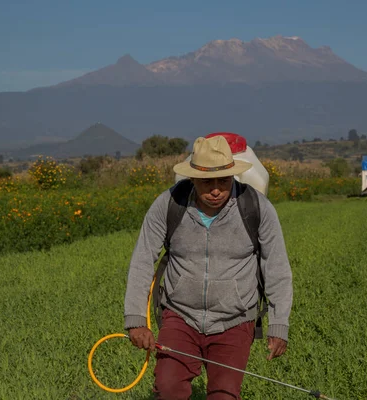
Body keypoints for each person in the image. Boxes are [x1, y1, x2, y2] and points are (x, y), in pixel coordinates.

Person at [123, 135, 293, 399]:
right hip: (180, 316)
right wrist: (135, 319)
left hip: (235, 320)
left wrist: (279, 324)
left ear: (233, 176)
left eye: (223, 181)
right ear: (192, 179)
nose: (216, 190)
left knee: (224, 395)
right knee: (168, 389)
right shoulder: (168, 205)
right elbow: (143, 259)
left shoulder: (257, 208)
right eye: (206, 182)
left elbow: (277, 268)